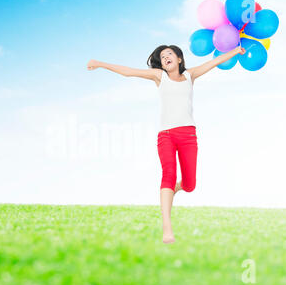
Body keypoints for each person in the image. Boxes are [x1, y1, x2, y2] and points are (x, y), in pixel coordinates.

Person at [87, 45, 246, 244]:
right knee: (168, 175)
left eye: (169, 54)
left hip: (188, 135)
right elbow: (129, 72)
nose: (165, 58)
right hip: (166, 136)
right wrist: (100, 64)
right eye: (162, 57)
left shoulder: (190, 76)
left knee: (190, 185)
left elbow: (214, 62)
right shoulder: (158, 77)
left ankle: (176, 189)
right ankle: (167, 228)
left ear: (179, 59)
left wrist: (235, 51)